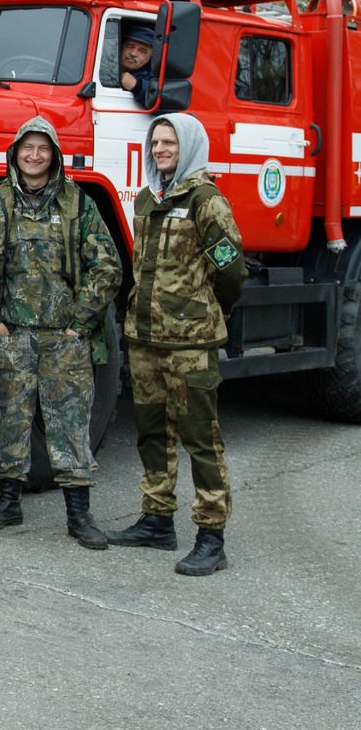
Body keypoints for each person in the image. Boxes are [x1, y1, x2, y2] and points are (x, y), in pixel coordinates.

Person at [0, 117, 123, 548]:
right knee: (10, 419)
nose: (34, 156)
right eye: (27, 148)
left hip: (64, 339)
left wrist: (80, 323)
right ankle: (8, 502)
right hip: (11, 337)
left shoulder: (78, 204)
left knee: (70, 423)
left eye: (43, 149)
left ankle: (79, 514)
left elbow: (108, 266)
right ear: (15, 153)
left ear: (54, 155)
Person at [107, 114, 245, 576]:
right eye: (155, 142)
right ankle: (156, 520)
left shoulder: (207, 201)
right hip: (145, 337)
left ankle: (211, 536)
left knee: (200, 438)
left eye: (169, 142)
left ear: (188, 146)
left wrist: (205, 312)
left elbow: (230, 269)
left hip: (190, 343)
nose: (160, 149)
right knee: (151, 432)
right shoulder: (148, 198)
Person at [118, 24, 159, 108]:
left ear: (150, 57)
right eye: (129, 47)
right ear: (121, 48)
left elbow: (164, 104)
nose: (133, 53)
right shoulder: (102, 67)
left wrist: (137, 86)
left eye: (142, 51)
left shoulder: (152, 80)